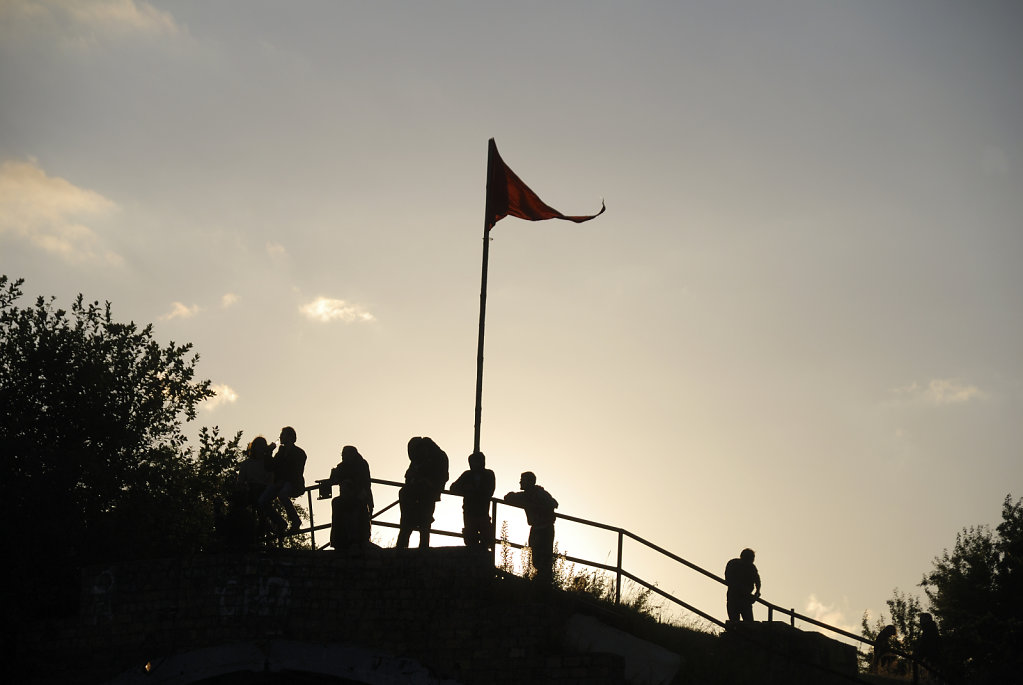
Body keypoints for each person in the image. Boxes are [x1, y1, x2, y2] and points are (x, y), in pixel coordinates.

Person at [504, 472, 558, 583]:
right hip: (538, 528)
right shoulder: (527, 495)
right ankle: (541, 580)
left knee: (543, 557)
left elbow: (554, 503)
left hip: (544, 528)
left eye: (522, 480)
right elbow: (508, 497)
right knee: (538, 557)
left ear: (528, 482)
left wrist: (537, 504)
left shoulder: (539, 494)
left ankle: (543, 582)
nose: (520, 482)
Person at [396, 437, 449, 549]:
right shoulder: (419, 457)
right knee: (409, 525)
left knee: (422, 524)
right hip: (413, 497)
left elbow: (442, 477)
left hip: (426, 495)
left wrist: (429, 483)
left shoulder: (437, 458)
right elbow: (408, 475)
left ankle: (415, 550)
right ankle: (403, 550)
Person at [258, 426, 306, 534]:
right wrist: (268, 453)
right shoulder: (280, 453)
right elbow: (270, 467)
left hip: (293, 484)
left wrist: (283, 481)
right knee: (262, 501)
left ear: (290, 437)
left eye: (283, 434)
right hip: (279, 484)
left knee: (282, 494)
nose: (280, 437)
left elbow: (296, 472)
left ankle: (295, 521)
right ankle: (280, 522)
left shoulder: (299, 453)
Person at [329, 445, 374, 550]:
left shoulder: (362, 465)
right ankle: (338, 540)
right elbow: (334, 480)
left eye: (345, 454)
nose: (343, 456)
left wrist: (353, 487)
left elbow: (365, 483)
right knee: (336, 504)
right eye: (342, 454)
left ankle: (358, 539)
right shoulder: (341, 466)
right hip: (345, 498)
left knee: (357, 509)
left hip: (360, 496)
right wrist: (333, 475)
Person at [449, 451, 496, 549]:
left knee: (486, 538)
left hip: (482, 511)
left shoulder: (489, 474)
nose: (474, 464)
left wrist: (471, 490)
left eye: (476, 462)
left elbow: (489, 491)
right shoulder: (467, 475)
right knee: (470, 539)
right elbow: (453, 487)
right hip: (469, 511)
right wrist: (466, 489)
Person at [724, 548, 761, 623]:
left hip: (742, 598)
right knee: (739, 622)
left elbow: (757, 581)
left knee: (746, 623)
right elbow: (728, 578)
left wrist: (757, 592)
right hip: (736, 597)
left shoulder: (751, 567)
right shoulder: (734, 564)